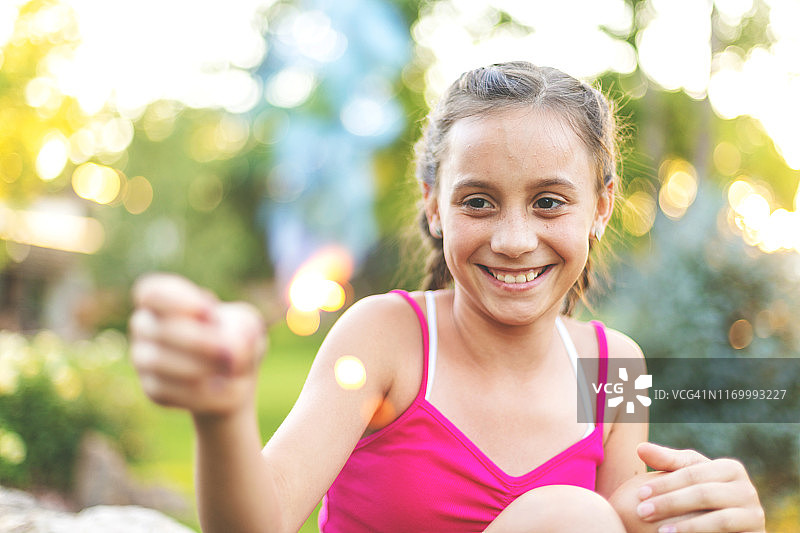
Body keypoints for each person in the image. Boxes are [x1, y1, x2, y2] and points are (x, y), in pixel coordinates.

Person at [129, 62, 766, 533]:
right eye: (478, 202)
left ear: (600, 208)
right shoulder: (386, 339)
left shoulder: (615, 367)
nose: (515, 240)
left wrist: (711, 514)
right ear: (435, 203)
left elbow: (626, 518)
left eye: (549, 203)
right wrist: (222, 414)